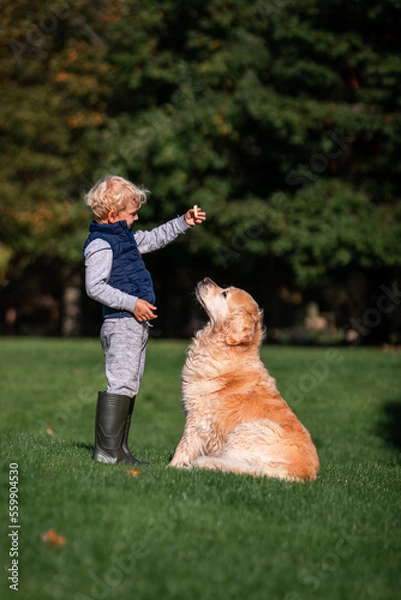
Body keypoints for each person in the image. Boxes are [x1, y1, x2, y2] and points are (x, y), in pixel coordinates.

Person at [83, 175, 206, 466]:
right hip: (120, 322)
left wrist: (183, 222)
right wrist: (132, 303)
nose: (136, 218)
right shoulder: (100, 244)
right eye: (132, 213)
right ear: (113, 215)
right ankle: (106, 452)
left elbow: (154, 238)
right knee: (121, 383)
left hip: (135, 324)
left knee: (130, 384)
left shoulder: (125, 238)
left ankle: (119, 449)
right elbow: (94, 286)